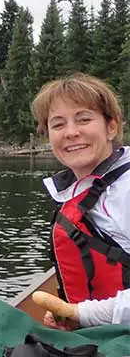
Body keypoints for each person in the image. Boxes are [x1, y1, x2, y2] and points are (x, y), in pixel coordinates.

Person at [32, 74, 130, 329]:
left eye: (84, 119)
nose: (71, 133)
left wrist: (82, 313)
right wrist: (70, 312)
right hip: (107, 336)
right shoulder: (79, 190)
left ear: (111, 127)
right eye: (58, 124)